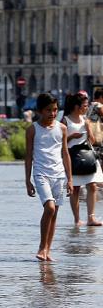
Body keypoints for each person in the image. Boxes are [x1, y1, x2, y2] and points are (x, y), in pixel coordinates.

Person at [25, 93, 73, 261]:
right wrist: (27, 181)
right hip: (41, 174)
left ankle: (47, 250)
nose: (52, 113)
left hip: (59, 175)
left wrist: (70, 179)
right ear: (39, 111)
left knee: (55, 213)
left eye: (55, 110)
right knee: (50, 208)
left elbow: (65, 153)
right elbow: (29, 155)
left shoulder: (62, 128)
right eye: (48, 110)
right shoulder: (32, 129)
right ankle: (41, 247)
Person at [62, 93, 103, 227]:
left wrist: (87, 131)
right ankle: (77, 219)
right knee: (76, 188)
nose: (86, 108)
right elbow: (59, 141)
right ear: (76, 106)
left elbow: (92, 140)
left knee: (92, 185)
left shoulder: (85, 120)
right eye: (84, 106)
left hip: (87, 154)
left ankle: (91, 217)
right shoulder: (65, 121)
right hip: (73, 157)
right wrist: (72, 137)